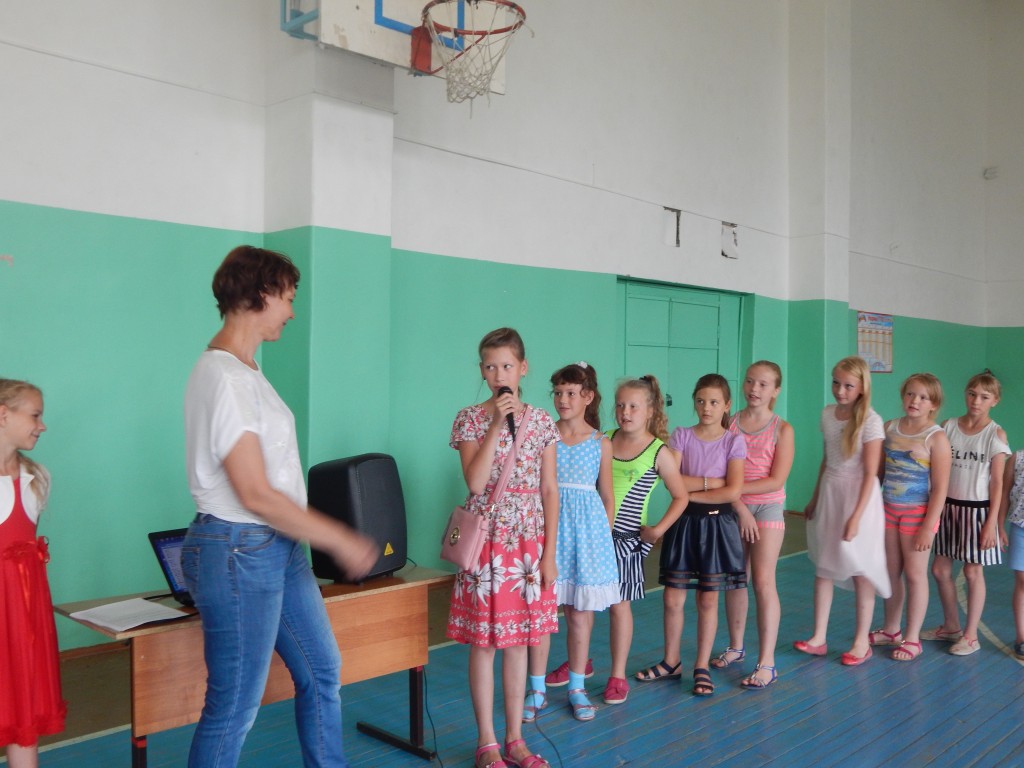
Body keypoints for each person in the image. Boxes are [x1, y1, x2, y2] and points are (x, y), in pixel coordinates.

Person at [181, 245, 378, 768]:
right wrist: (338, 537)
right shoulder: (224, 377)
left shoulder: (246, 371)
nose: (291, 311)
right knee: (234, 707)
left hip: (276, 547)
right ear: (262, 294)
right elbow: (254, 492)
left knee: (321, 671)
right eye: (288, 297)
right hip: (239, 550)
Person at [447, 328, 560, 768]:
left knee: (520, 641)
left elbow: (549, 490)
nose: (499, 375)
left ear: (523, 368)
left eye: (507, 366)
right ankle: (487, 744)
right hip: (487, 541)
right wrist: (496, 422)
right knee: (485, 642)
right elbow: (476, 483)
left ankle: (516, 740)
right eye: (491, 367)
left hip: (529, 542)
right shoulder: (468, 419)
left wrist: (549, 554)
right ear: (482, 371)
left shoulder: (542, 422)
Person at [636, 374, 750, 697]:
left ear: (726, 405)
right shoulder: (682, 435)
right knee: (672, 598)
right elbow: (671, 480)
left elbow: (733, 491)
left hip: (717, 526)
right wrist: (712, 484)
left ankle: (701, 666)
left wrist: (690, 491)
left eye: (714, 402)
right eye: (701, 401)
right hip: (683, 523)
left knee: (708, 599)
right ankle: (671, 661)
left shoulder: (733, 441)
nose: (706, 407)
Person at [529, 363, 618, 723]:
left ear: (588, 397)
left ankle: (577, 687)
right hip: (547, 534)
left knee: (579, 616)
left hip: (586, 538)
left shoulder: (600, 443)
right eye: (558, 392)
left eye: (570, 393)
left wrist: (600, 537)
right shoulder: (543, 436)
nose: (562, 399)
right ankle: (536, 690)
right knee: (542, 614)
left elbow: (607, 496)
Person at [794, 356, 890, 666]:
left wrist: (856, 517)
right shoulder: (827, 414)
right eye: (836, 383)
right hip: (831, 493)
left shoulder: (871, 421)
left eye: (848, 385)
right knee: (824, 566)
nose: (840, 390)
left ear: (862, 387)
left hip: (859, 499)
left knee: (861, 567)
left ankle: (861, 642)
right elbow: (827, 459)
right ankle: (818, 637)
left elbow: (871, 473)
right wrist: (814, 497)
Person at [602, 375, 688, 706]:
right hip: (595, 536)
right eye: (620, 405)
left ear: (650, 411)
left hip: (625, 541)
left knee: (618, 605)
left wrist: (658, 529)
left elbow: (680, 496)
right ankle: (578, 664)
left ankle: (617, 675)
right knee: (580, 605)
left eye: (634, 406)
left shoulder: (658, 452)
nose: (625, 412)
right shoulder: (605, 439)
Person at [713, 361, 794, 688]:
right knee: (735, 580)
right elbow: (720, 470)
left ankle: (767, 662)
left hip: (767, 508)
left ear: (775, 390)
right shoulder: (730, 423)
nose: (754, 389)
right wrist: (736, 502)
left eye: (763, 384)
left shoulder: (782, 430)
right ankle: (736, 647)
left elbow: (776, 480)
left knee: (762, 581)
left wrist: (735, 489)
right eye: (749, 382)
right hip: (734, 508)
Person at [0, 379, 66, 768]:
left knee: (22, 705)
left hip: (24, 615)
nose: (42, 425)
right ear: (3, 415)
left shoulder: (37, 478)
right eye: (35, 415)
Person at [924, 372, 1009, 656]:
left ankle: (971, 636)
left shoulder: (995, 434)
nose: (976, 401)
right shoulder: (948, 427)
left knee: (972, 571)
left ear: (995, 401)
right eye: (972, 394)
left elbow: (997, 483)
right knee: (939, 569)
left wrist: (992, 523)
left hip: (977, 511)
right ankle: (951, 626)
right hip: (947, 507)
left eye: (984, 397)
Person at [871, 374, 950, 661]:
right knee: (891, 572)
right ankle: (891, 629)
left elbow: (940, 488)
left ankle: (913, 637)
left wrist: (929, 527)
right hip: (888, 510)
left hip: (917, 515)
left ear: (933, 404)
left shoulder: (936, 438)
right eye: (910, 394)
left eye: (923, 397)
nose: (915, 401)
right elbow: (878, 474)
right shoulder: (890, 428)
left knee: (915, 575)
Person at [997, 445, 1024, 660]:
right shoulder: (1017, 458)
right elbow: (1004, 493)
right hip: (1020, 527)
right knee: (1022, 581)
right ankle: (1021, 637)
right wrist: (999, 526)